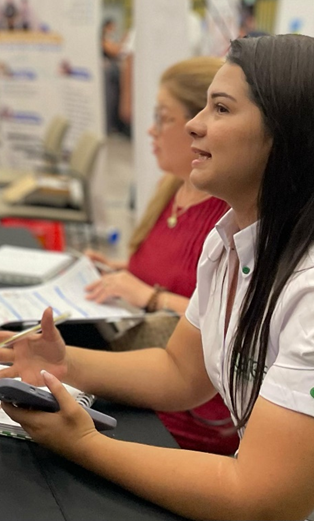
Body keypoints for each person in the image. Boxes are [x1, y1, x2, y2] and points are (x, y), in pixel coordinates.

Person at [0, 35, 314, 521]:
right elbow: (181, 373)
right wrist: (63, 365)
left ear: (290, 132)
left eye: (220, 109)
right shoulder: (231, 241)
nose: (195, 124)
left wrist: (84, 444)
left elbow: (257, 498)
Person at [84, 57, 237, 455]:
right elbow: (167, 274)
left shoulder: (228, 217)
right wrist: (124, 272)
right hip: (145, 370)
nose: (151, 130)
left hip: (186, 417)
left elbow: (228, 328)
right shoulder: (173, 188)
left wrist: (149, 296)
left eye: (163, 118)